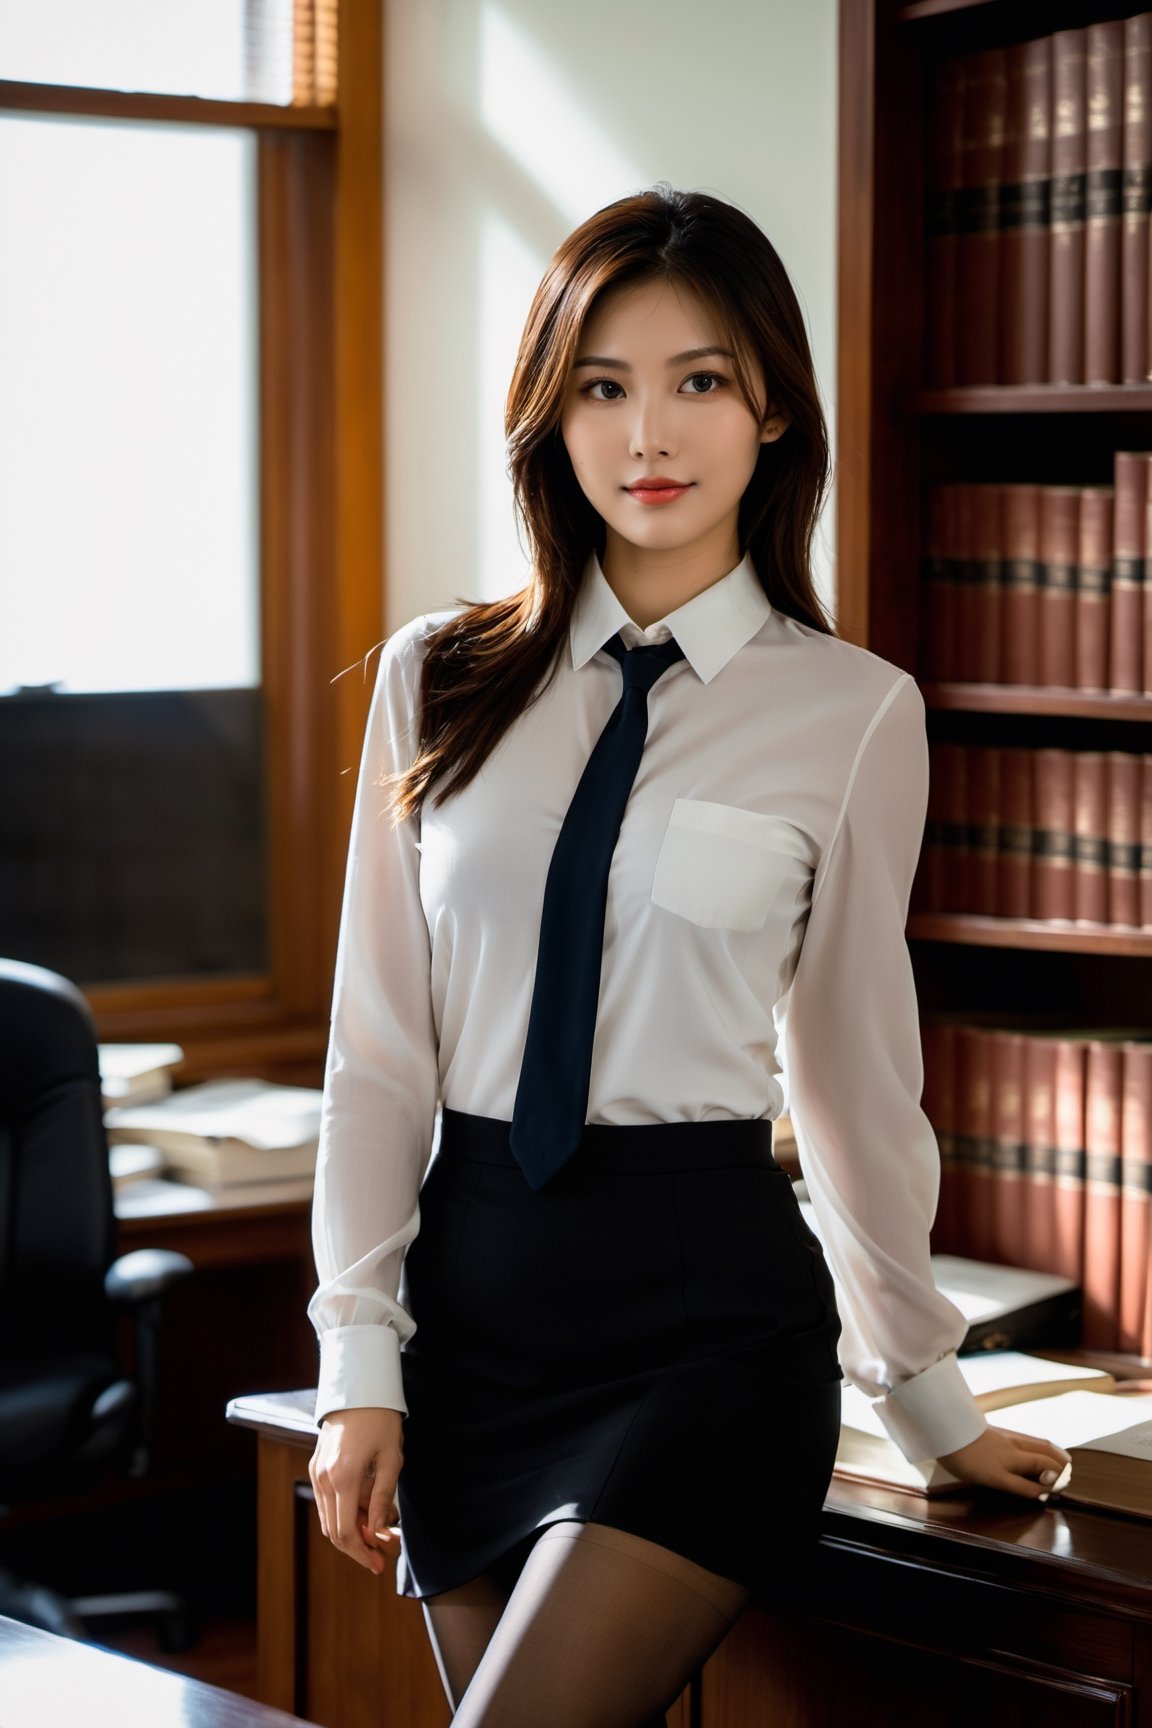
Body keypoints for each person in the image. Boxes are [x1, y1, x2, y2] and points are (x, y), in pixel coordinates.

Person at [306, 185, 1071, 1728]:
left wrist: (924, 1397)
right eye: (602, 385)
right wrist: (356, 1362)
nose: (648, 432)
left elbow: (852, 1077)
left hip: (703, 1331)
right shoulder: (434, 680)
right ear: (551, 416)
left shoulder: (853, 714)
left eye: (699, 380)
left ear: (771, 406)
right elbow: (378, 1055)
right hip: (472, 1317)